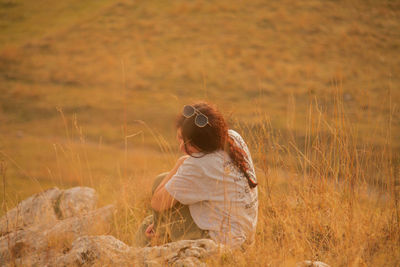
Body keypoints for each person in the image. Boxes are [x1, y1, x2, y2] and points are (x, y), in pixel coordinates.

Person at [135, 102, 258, 249]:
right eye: (180, 138)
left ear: (205, 144)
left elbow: (157, 202)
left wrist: (180, 162)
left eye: (189, 144)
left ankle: (150, 248)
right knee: (151, 218)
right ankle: (159, 234)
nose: (182, 147)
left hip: (224, 245)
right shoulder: (233, 137)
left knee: (159, 186)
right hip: (244, 237)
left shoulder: (199, 166)